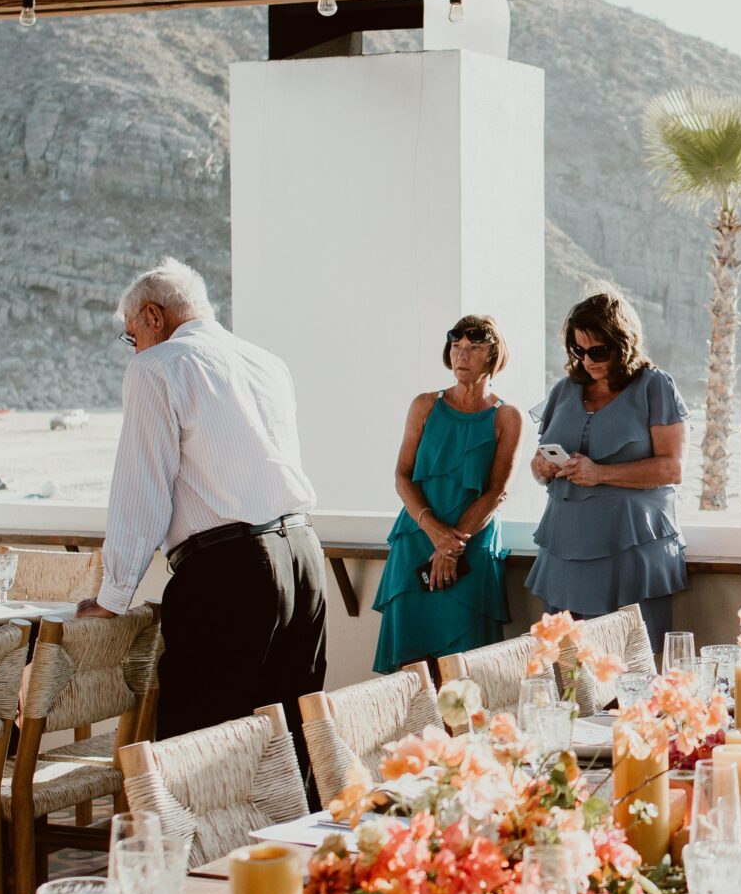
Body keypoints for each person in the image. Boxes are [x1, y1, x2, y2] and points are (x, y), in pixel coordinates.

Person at [79, 259, 326, 745]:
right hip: (303, 558)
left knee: (202, 751)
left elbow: (141, 490)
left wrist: (112, 597)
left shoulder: (156, 367)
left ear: (153, 317)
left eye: (132, 335)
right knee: (292, 745)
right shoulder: (266, 362)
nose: (135, 347)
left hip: (231, 576)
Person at [527, 292, 687, 649]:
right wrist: (541, 467)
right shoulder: (564, 389)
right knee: (567, 672)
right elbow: (539, 466)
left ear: (623, 343)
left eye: (598, 351)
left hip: (629, 549)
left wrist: (599, 473)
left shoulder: (655, 385)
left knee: (629, 670)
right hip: (564, 550)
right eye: (579, 351)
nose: (588, 360)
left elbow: (672, 468)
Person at [373, 315, 521, 673]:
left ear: (493, 355)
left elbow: (498, 491)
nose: (462, 355)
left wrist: (453, 546)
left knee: (468, 666)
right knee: (411, 666)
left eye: (473, 348)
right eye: (456, 347)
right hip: (418, 539)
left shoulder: (507, 417)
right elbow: (402, 476)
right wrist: (435, 533)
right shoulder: (424, 405)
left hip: (471, 544)